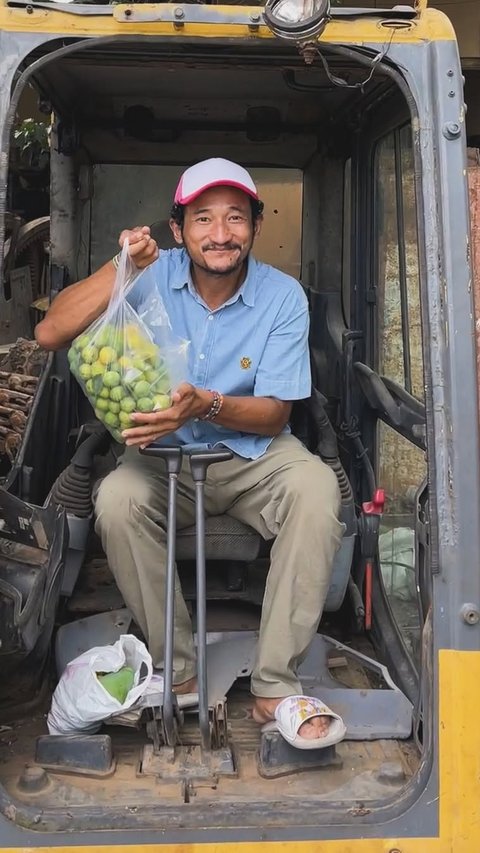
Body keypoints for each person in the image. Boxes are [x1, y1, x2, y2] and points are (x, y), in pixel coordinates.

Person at [35, 158, 345, 745]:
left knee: (316, 488)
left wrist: (205, 404)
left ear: (255, 225)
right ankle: (175, 673)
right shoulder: (151, 273)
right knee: (118, 499)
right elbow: (51, 334)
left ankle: (275, 686)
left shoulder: (283, 298)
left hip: (253, 454)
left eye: (234, 218)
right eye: (203, 219)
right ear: (179, 229)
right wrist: (121, 266)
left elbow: (276, 411)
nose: (220, 233)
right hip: (159, 456)